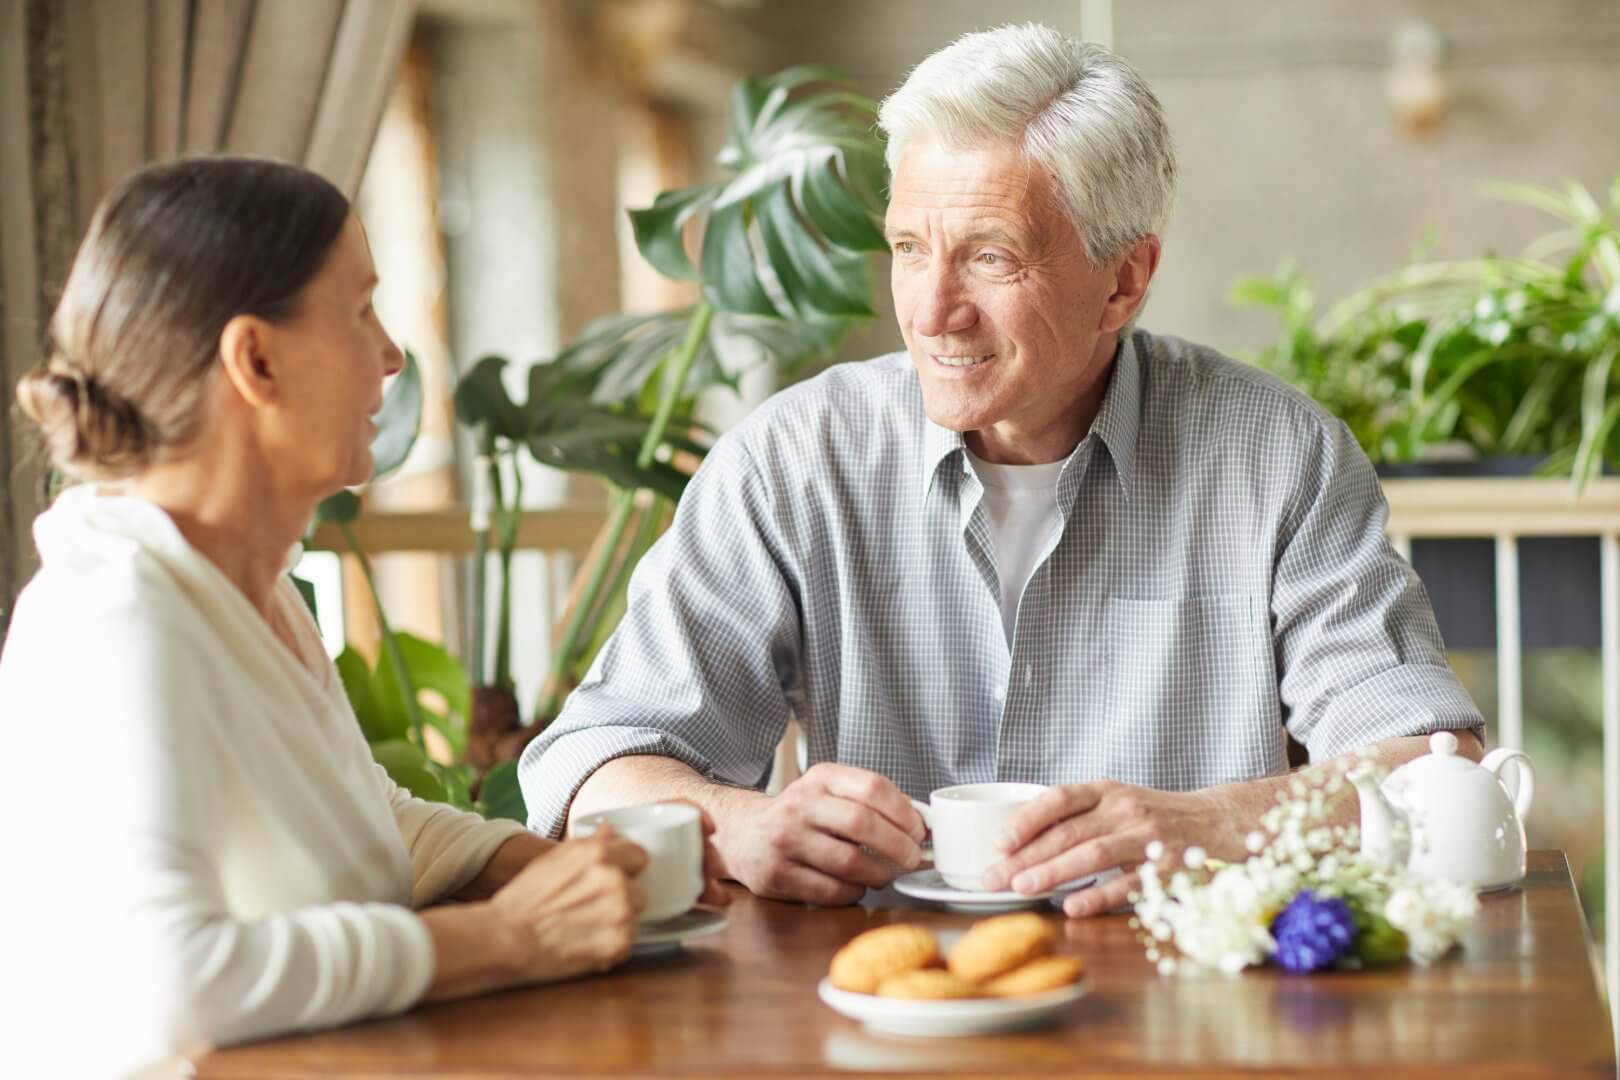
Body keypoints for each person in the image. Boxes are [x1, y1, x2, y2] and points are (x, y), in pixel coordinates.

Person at [519, 24, 1483, 917]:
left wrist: (1209, 824)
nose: (933, 310)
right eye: (908, 248)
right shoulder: (793, 460)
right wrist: (737, 822)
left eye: (990, 257)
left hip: (1187, 997)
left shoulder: (1279, 458)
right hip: (876, 1004)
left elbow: (1429, 767)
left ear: (1125, 279)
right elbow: (594, 761)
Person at [0, 157, 724, 1079]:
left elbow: (361, 821)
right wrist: (506, 940)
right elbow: (172, 984)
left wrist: (526, 863)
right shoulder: (114, 618)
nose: (391, 355)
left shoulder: (252, 593)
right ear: (256, 360)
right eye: (359, 312)